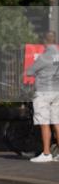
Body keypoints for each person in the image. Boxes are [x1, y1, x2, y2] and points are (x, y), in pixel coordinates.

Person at [26, 30, 59, 163]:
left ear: (45, 42)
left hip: (44, 93)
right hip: (57, 92)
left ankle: (46, 153)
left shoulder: (44, 56)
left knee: (44, 123)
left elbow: (30, 71)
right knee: (57, 122)